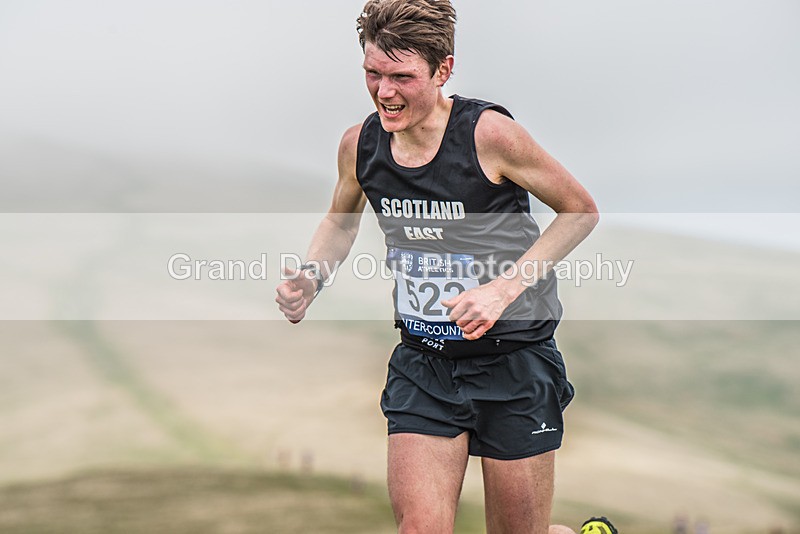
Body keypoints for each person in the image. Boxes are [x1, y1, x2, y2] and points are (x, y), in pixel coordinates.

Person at [275, 1, 609, 532]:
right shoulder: (360, 146)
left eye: (402, 77)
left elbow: (580, 211)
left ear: (443, 70)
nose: (384, 92)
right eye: (373, 73)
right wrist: (311, 276)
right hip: (424, 363)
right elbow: (340, 222)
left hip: (514, 361)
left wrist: (502, 290)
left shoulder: (490, 136)